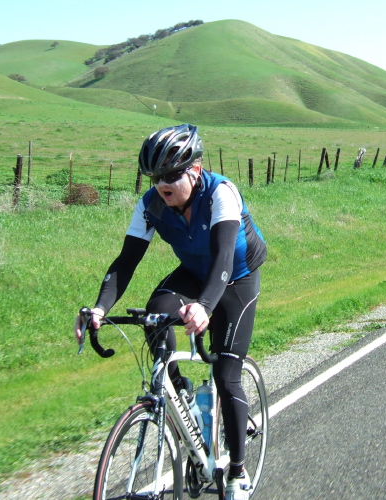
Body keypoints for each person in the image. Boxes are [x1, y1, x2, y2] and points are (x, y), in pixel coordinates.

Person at [75, 124, 266, 500]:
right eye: (155, 176)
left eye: (172, 175)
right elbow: (125, 262)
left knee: (227, 374)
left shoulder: (220, 193)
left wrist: (205, 307)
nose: (163, 184)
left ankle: (236, 474)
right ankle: (182, 395)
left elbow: (225, 258)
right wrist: (99, 308)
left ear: (194, 171)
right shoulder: (150, 204)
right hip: (195, 273)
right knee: (155, 311)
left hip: (236, 277)